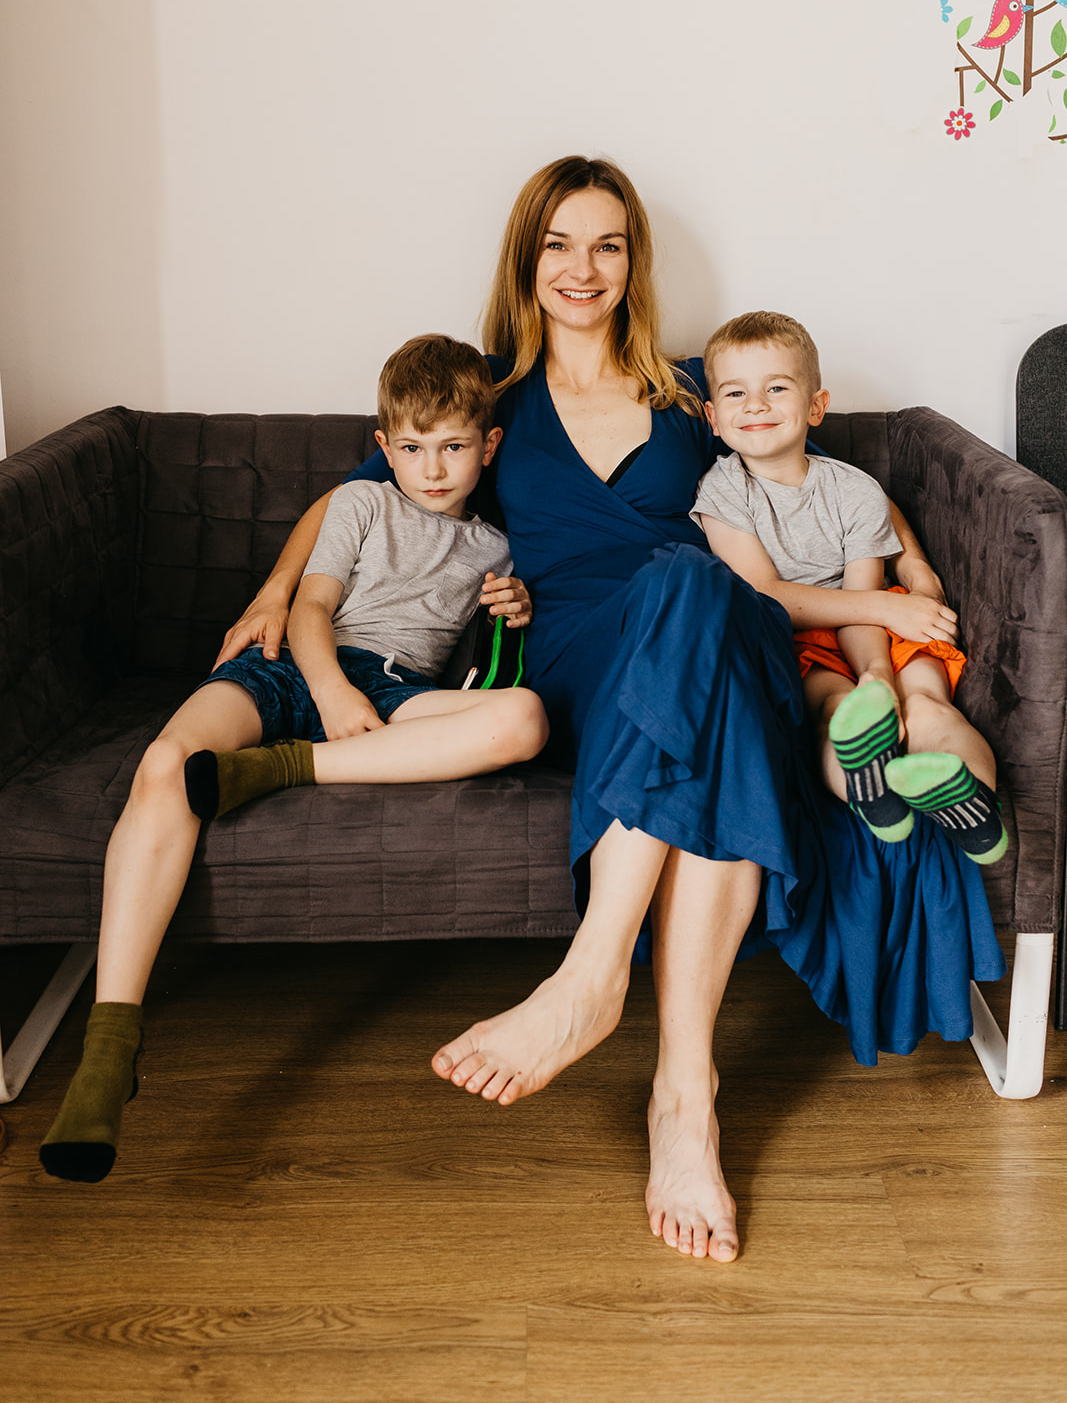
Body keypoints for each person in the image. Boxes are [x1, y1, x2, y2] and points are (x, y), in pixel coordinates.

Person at [208, 157, 1003, 1264]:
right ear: (526, 260)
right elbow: (360, 489)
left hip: (726, 635)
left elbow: (822, 478)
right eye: (558, 245)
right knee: (700, 643)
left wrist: (908, 565)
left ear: (633, 262)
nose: (582, 268)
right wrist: (273, 589)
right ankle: (680, 1094)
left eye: (607, 245)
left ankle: (601, 990)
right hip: (581, 655)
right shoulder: (488, 400)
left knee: (695, 590)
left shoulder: (693, 388)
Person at [39, 335, 546, 1184]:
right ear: (384, 447)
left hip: (394, 686)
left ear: (487, 446)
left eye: (454, 446)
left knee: (523, 719)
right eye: (412, 448)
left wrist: (515, 605)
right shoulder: (360, 502)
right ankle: (107, 1044)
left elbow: (487, 658)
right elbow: (311, 609)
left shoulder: (493, 547)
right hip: (291, 666)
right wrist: (329, 693)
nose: (432, 468)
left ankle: (277, 768)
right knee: (167, 762)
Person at [692, 311, 1006, 865]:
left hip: (882, 622)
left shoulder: (856, 490)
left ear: (816, 406)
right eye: (736, 392)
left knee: (927, 705)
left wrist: (878, 672)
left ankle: (973, 806)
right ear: (714, 417)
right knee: (836, 709)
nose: (756, 405)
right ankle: (873, 792)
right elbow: (765, 593)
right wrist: (871, 670)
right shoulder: (723, 492)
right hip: (802, 635)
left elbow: (865, 593)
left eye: (776, 388)